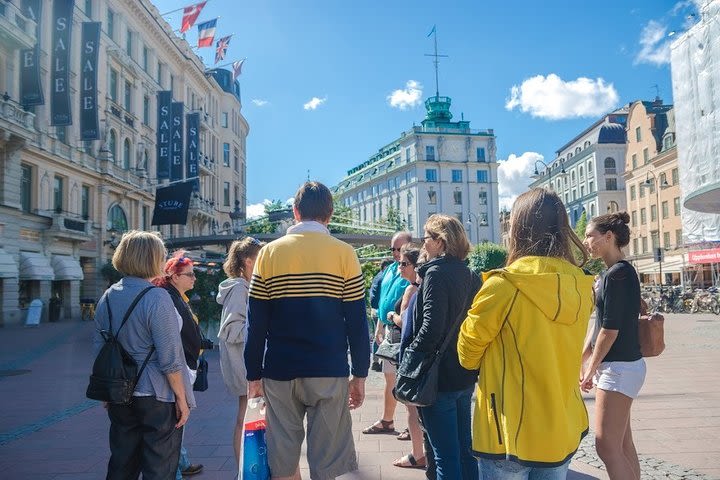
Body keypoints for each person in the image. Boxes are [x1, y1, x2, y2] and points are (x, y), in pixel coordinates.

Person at [457, 188, 594, 479]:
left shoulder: (503, 286)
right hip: (560, 424)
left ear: (518, 229)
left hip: (509, 431)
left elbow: (467, 354)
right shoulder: (581, 285)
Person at [244, 181, 370, 480]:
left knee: (283, 462)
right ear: (330, 213)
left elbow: (256, 322)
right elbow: (356, 321)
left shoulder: (269, 253)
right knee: (327, 465)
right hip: (328, 369)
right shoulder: (344, 253)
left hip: (280, 370)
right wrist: (360, 374)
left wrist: (253, 375)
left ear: (295, 212)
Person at [93, 230, 193, 479]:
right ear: (151, 258)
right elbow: (169, 357)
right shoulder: (156, 297)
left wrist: (108, 390)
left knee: (122, 464)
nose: (163, 261)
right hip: (156, 393)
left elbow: (100, 348)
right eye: (161, 256)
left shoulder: (107, 297)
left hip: (119, 391)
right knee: (160, 466)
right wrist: (181, 397)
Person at [408, 214, 481, 480]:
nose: (423, 244)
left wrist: (411, 359)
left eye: (426, 238)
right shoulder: (471, 275)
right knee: (464, 451)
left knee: (445, 457)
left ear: (440, 242)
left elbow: (431, 327)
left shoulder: (436, 274)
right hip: (462, 372)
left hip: (437, 377)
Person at [581, 212, 645, 480]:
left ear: (608, 237)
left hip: (619, 369)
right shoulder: (616, 272)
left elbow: (609, 331)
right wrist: (583, 358)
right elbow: (600, 326)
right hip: (625, 366)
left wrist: (591, 367)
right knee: (621, 444)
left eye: (590, 236)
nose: (586, 242)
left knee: (606, 446)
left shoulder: (616, 275)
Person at [152, 252, 204, 479]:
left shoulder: (178, 297)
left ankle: (181, 462)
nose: (194, 278)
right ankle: (177, 469)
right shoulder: (168, 299)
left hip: (183, 365)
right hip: (177, 368)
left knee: (177, 419)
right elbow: (172, 340)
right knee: (177, 418)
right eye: (189, 274)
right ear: (173, 276)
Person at [216, 236, 264, 467]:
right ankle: (244, 469)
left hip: (244, 364)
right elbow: (231, 330)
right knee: (245, 419)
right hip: (243, 366)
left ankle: (247, 468)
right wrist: (264, 330)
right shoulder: (238, 290)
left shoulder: (244, 287)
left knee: (248, 418)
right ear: (247, 261)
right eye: (259, 259)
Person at [363, 231, 411, 436]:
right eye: (393, 249)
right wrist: (380, 326)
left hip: (403, 330)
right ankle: (387, 420)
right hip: (389, 328)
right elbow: (384, 299)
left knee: (406, 380)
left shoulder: (413, 268)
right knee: (389, 377)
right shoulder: (392, 268)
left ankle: (414, 425)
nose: (395, 253)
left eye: (399, 249)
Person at [389, 243, 427, 470]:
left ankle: (417, 453)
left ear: (415, 266)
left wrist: (392, 315)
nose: (400, 267)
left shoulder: (411, 290)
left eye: (404, 263)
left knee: (412, 408)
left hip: (409, 356)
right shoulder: (424, 288)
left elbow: (404, 323)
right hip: (420, 356)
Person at [369, 258, 394, 372]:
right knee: (381, 335)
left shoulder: (376, 277)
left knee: (377, 335)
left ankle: (375, 361)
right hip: (381, 310)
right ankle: (384, 359)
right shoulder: (385, 277)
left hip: (374, 309)